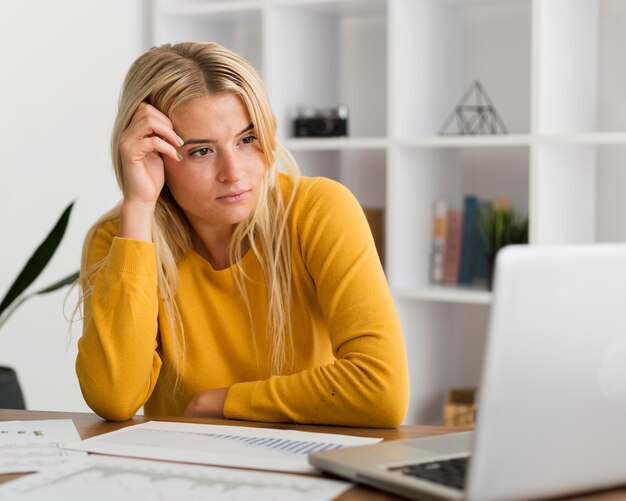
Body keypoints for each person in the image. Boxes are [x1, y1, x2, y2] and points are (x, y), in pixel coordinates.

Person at [76, 41, 410, 427]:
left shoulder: (320, 210)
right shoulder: (119, 238)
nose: (233, 172)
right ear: (154, 153)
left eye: (247, 139)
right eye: (201, 151)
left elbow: (382, 391)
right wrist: (138, 207)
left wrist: (224, 402)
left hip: (306, 463)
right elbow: (113, 398)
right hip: (189, 473)